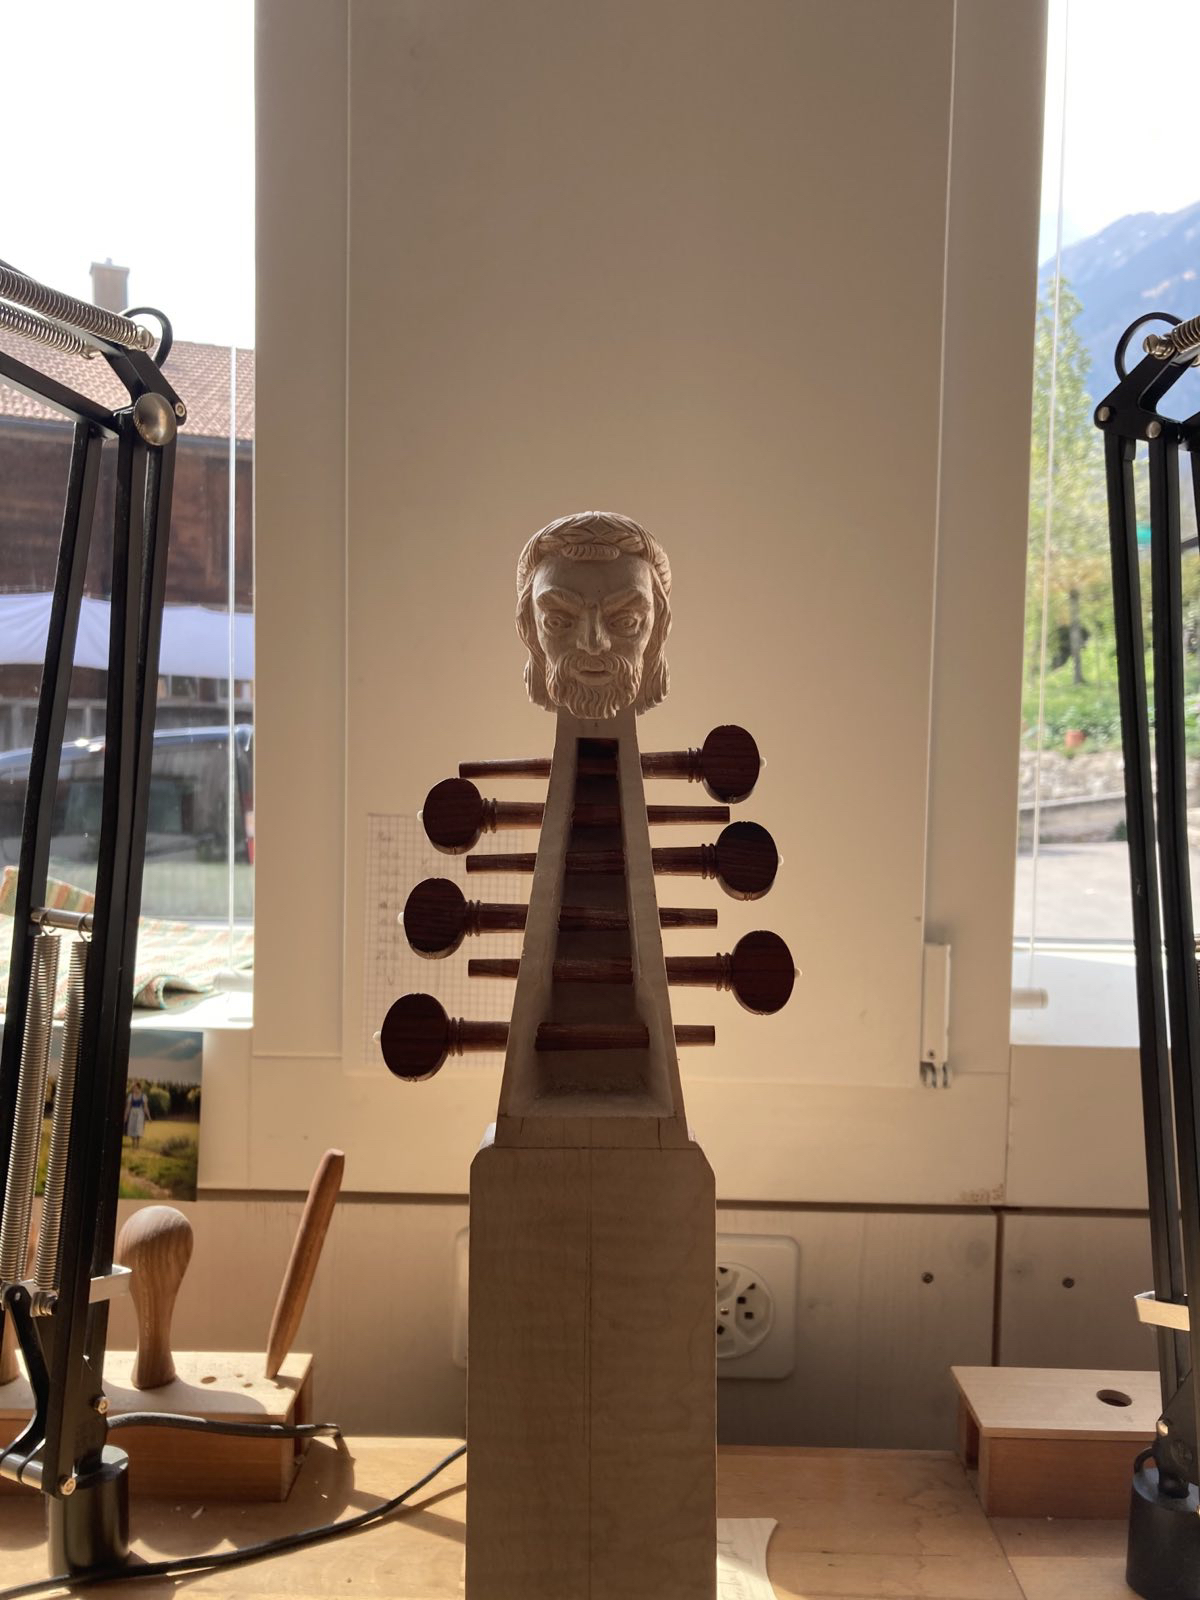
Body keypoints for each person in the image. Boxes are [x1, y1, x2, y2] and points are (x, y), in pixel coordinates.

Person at [124, 1081, 151, 1148]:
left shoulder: (143, 1096)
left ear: (139, 1088)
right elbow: (128, 1107)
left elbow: (145, 1107)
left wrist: (149, 1117)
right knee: (132, 1127)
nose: (134, 1089)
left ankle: (137, 1144)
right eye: (133, 1088)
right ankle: (133, 1143)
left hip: (140, 1113)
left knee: (138, 1127)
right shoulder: (131, 1096)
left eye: (135, 1088)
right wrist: (126, 1116)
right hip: (132, 1112)